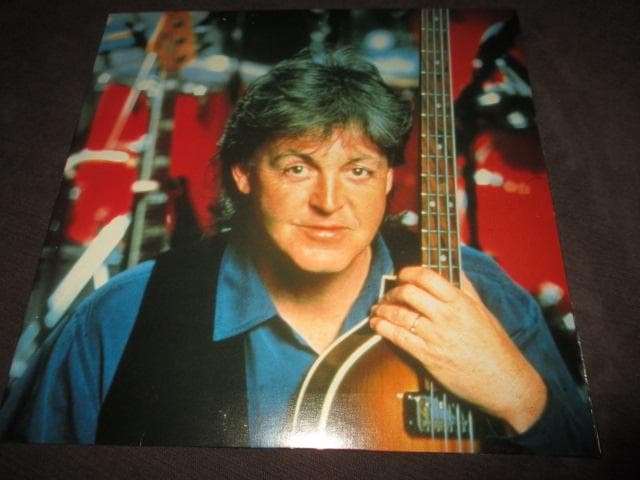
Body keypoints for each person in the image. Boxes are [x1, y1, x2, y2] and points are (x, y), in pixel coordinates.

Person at [0, 50, 597, 454]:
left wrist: (523, 397)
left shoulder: (476, 288)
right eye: (296, 167)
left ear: (388, 180)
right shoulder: (120, 315)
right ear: (243, 174)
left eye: (359, 170)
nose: (329, 202)